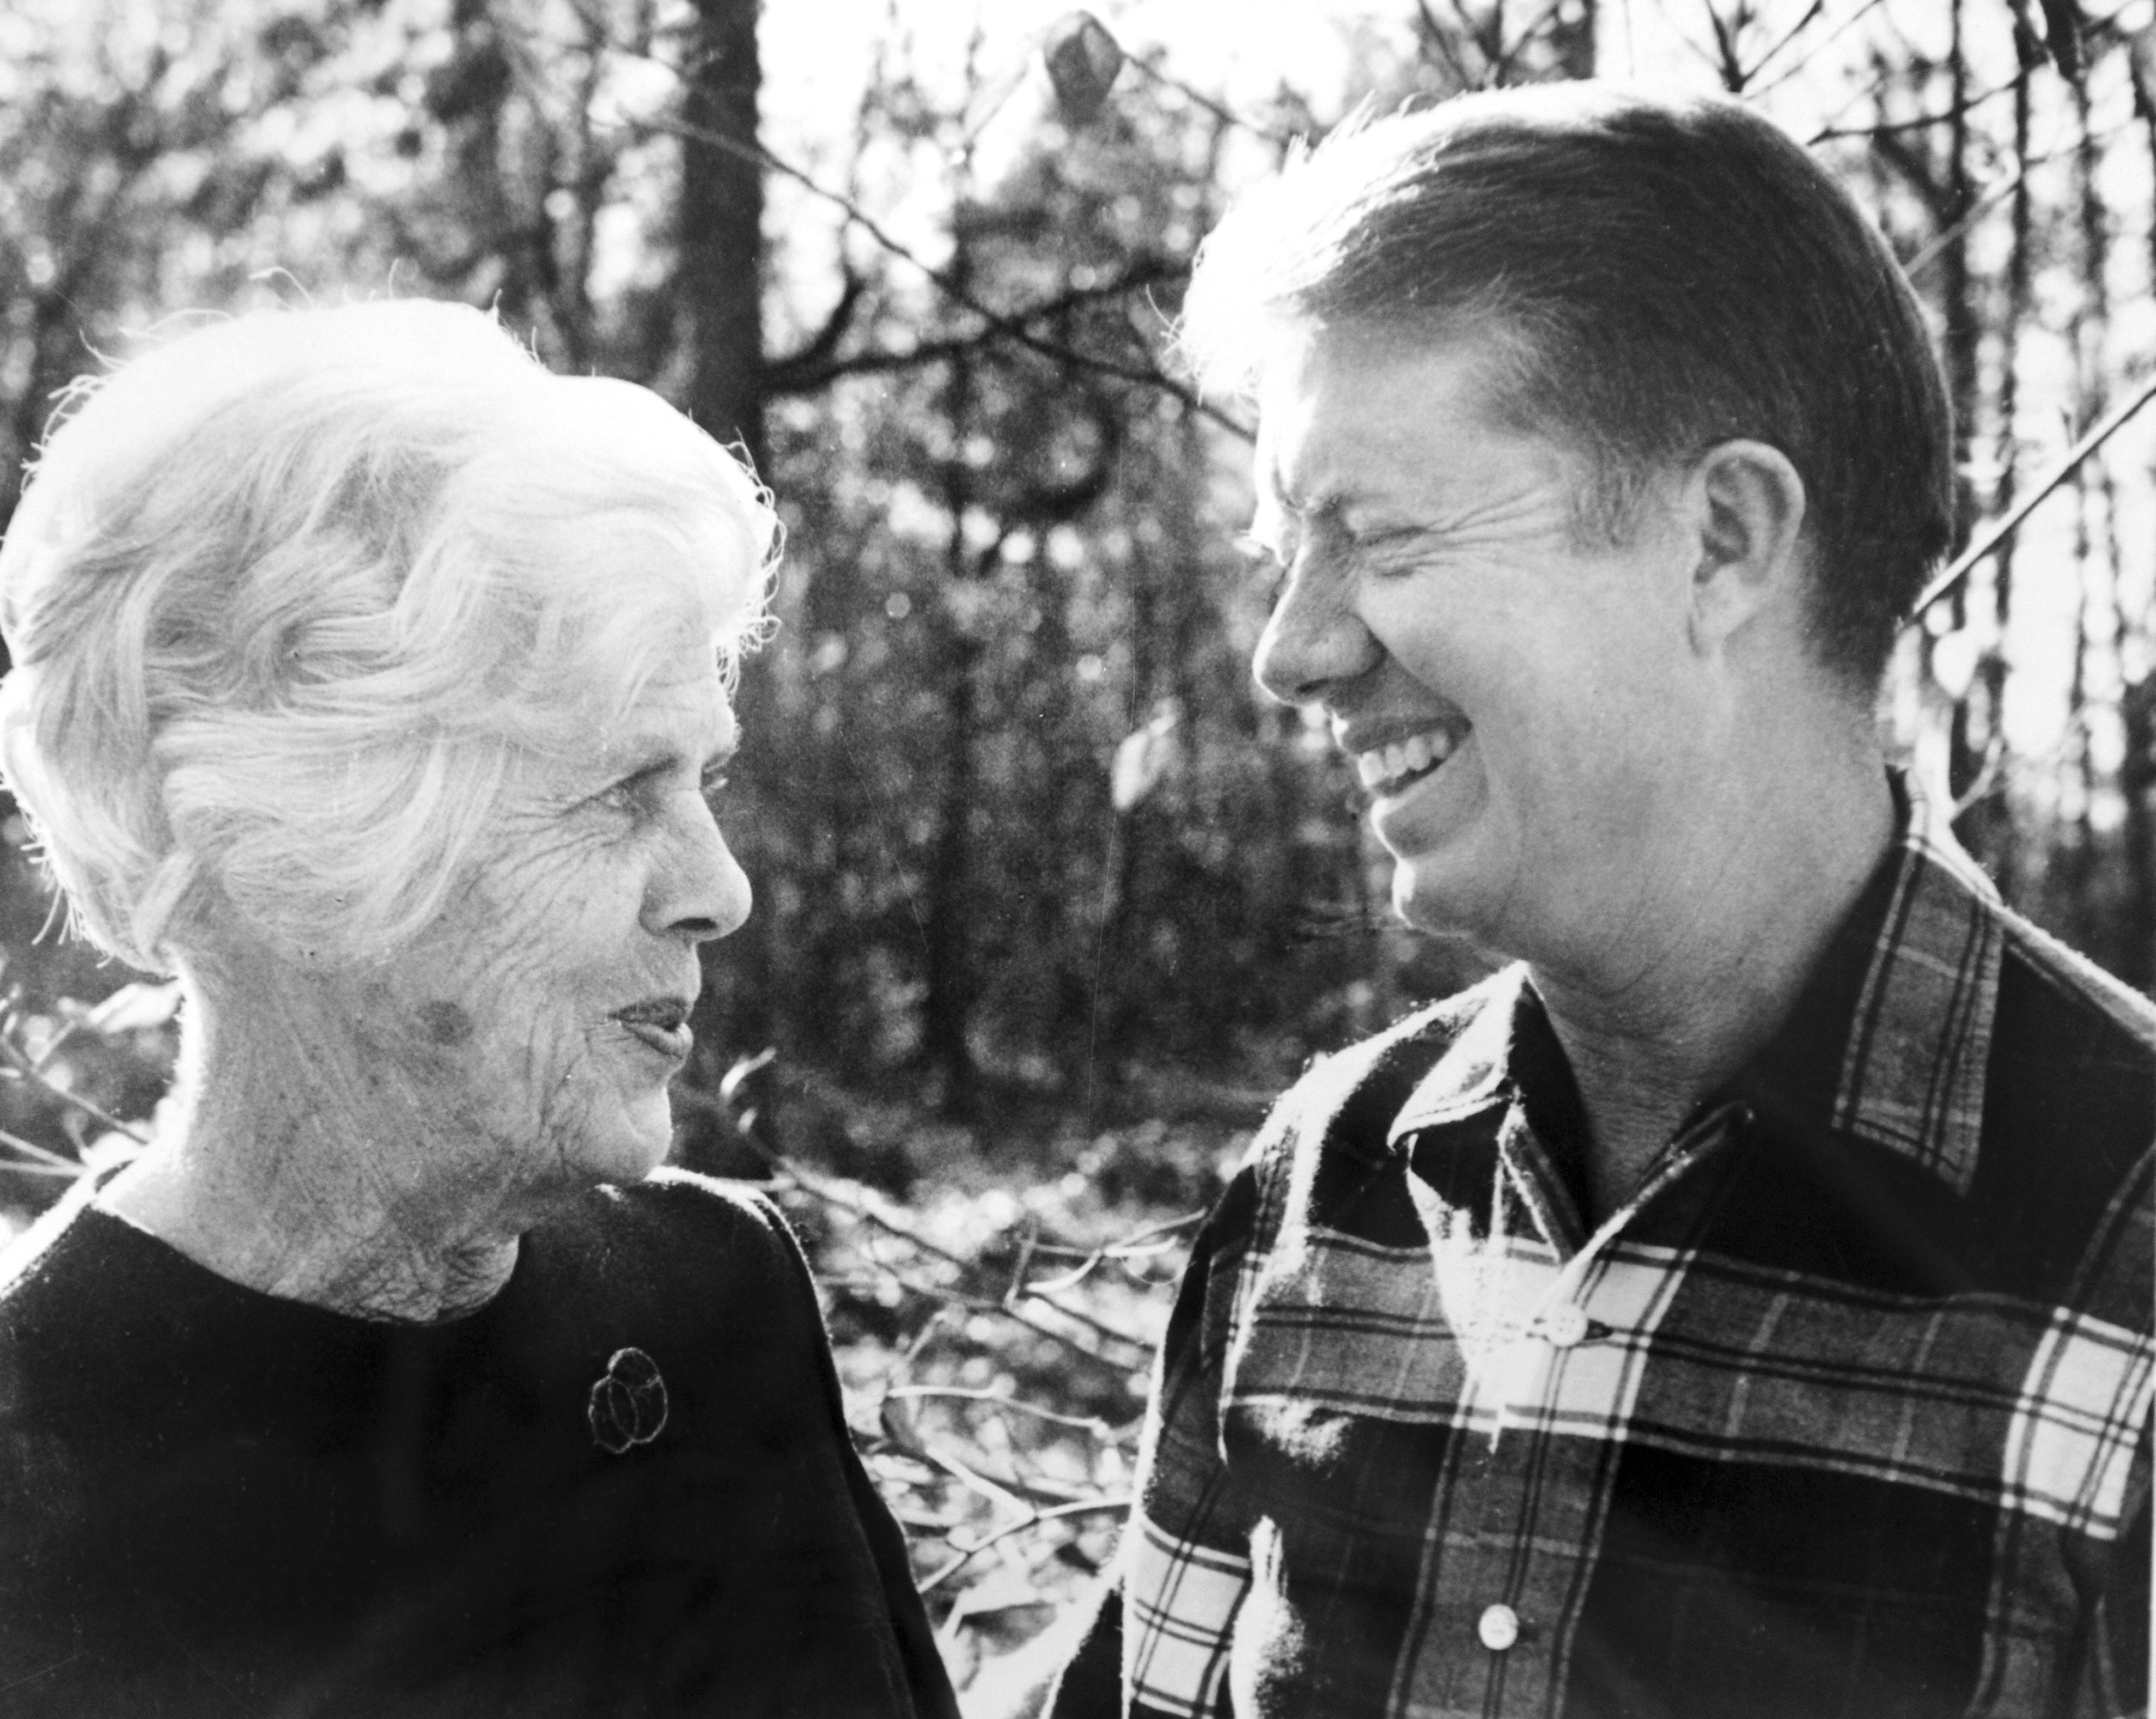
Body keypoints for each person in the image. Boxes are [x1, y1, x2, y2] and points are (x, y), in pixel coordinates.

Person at [1049, 85, 2151, 1719]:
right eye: (1282, 548)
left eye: (1376, 536)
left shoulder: (2128, 1227)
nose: (1289, 651)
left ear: (1719, 540)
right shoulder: (1321, 1188)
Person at [0, 300, 959, 1718]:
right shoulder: (37, 1459)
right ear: (295, 849)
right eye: (619, 791)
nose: (721, 888)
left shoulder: (715, 1291)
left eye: (706, 782)